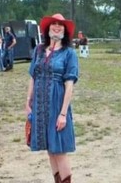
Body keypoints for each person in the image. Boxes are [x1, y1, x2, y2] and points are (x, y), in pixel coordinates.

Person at [24, 13, 78, 183]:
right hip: (40, 105)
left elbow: (69, 84)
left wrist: (63, 114)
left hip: (57, 104)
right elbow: (33, 76)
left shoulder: (69, 53)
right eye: (53, 24)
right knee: (49, 149)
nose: (56, 27)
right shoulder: (39, 50)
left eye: (60, 25)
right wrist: (28, 101)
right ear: (48, 29)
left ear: (65, 30)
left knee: (59, 150)